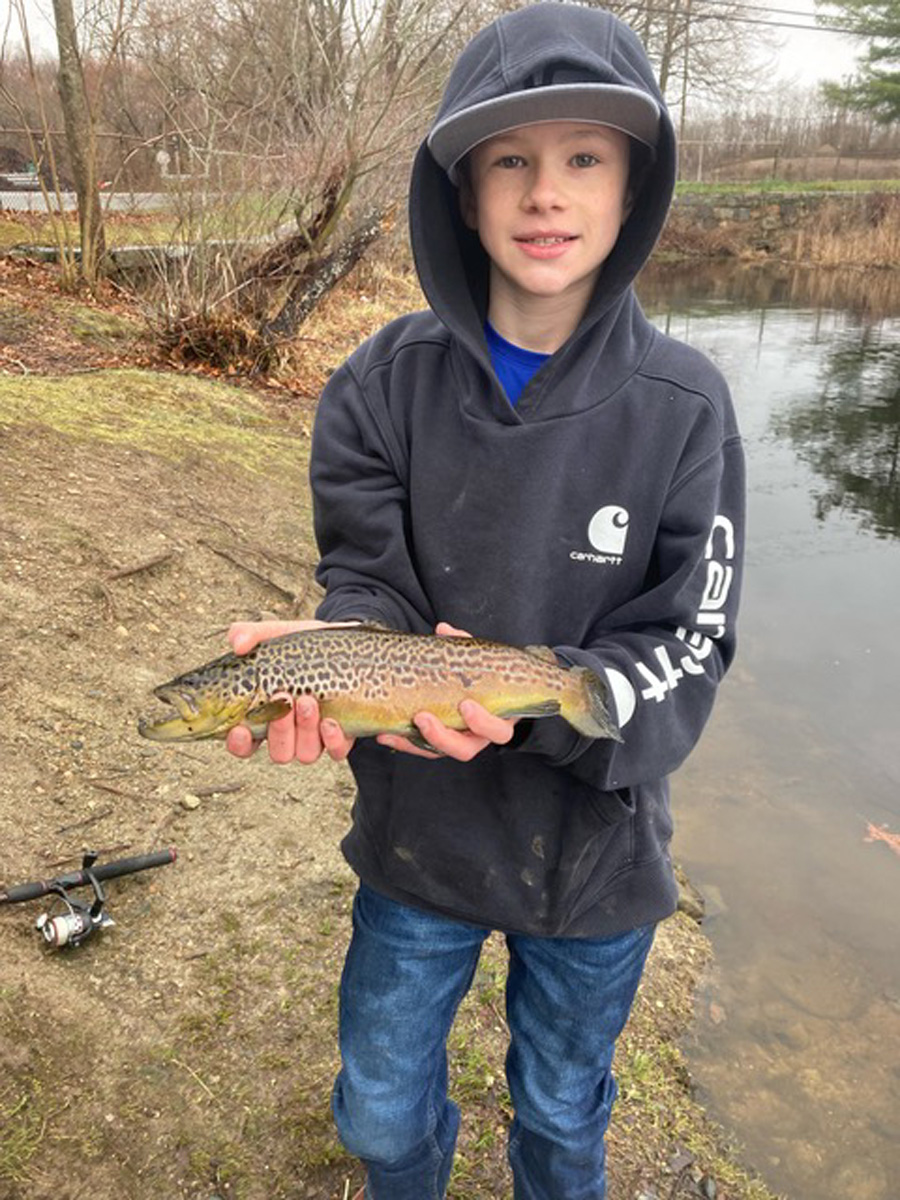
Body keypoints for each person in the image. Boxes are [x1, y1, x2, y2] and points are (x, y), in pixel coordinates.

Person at [226, 4, 745, 1197]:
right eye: (509, 159)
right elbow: (365, 581)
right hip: (420, 836)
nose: (545, 193)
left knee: (561, 1122)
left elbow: (690, 638)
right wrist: (339, 658)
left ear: (634, 186)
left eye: (585, 158)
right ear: (461, 192)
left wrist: (560, 698)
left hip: (596, 856)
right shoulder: (376, 386)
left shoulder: (686, 406)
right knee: (377, 1117)